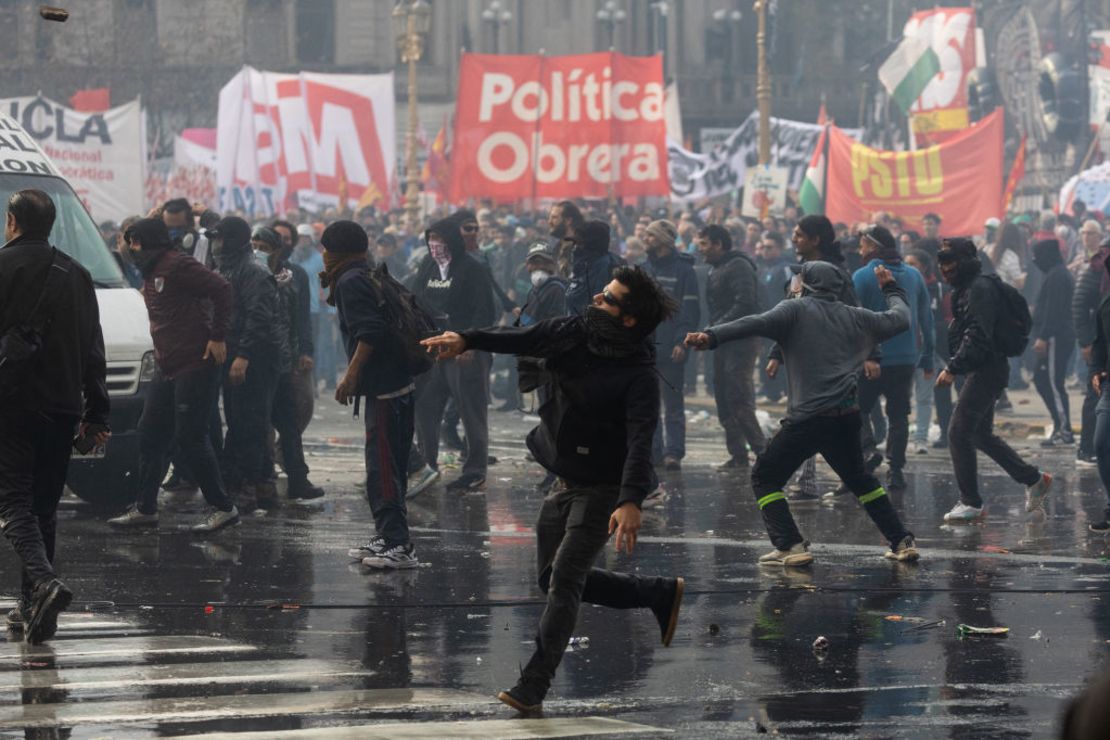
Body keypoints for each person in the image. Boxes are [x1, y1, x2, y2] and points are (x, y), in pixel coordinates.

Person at [421, 265, 685, 715]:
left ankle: (533, 686)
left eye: (609, 299)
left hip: (603, 486)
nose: (596, 301)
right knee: (551, 578)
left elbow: (643, 439)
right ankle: (657, 594)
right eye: (601, 293)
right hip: (563, 475)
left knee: (565, 579)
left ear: (628, 320)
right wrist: (466, 338)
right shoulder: (572, 332)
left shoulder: (639, 373)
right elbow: (520, 338)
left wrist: (630, 500)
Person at [686, 261, 919, 565]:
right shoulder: (857, 316)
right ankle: (901, 541)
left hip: (808, 419)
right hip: (846, 417)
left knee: (765, 477)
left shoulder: (793, 309)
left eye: (797, 277)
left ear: (807, 284)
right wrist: (891, 288)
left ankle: (790, 545)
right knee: (861, 480)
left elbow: (754, 322)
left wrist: (712, 336)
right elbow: (901, 318)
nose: (793, 282)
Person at [0, 189, 110, 643]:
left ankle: (43, 584)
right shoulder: (77, 273)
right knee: (45, 507)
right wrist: (97, 412)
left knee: (11, 502)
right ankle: (35, 612)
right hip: (62, 406)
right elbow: (92, 346)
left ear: (12, 222)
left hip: (10, 404)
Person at [107, 218, 239, 531]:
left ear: (142, 242)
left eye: (130, 242)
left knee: (191, 437)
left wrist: (218, 336)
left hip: (194, 362)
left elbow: (222, 289)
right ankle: (145, 507)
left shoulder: (177, 264)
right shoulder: (152, 270)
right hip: (166, 366)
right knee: (150, 435)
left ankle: (223, 507)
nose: (126, 249)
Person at [321, 221, 420, 568]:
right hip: (398, 381)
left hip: (384, 388)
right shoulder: (369, 272)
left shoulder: (350, 281)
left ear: (336, 252)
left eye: (325, 250)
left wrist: (350, 375)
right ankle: (387, 533)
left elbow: (370, 331)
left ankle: (397, 543)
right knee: (390, 464)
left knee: (382, 466)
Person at [934, 238, 1052, 523]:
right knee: (978, 434)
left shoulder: (979, 289)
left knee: (958, 431)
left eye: (950, 261)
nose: (945, 268)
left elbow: (978, 333)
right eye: (942, 262)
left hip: (987, 370)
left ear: (964, 261)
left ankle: (971, 502)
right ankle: (1034, 479)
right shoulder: (970, 287)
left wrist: (953, 367)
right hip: (984, 368)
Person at [411, 216, 497, 492]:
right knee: (425, 408)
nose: (435, 245)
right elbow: (416, 299)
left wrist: (469, 342)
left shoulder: (473, 268)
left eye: (440, 240)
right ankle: (427, 465)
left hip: (464, 350)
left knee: (471, 411)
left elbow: (485, 310)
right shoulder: (427, 266)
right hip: (434, 349)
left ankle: (474, 470)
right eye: (431, 240)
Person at [852, 225, 934, 490]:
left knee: (857, 410)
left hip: (870, 361)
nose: (858, 249)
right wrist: (928, 355)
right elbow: (926, 319)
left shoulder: (862, 276)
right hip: (906, 359)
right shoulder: (914, 275)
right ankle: (895, 470)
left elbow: (855, 321)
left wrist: (862, 355)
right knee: (899, 415)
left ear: (873, 246)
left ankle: (868, 450)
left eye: (862, 244)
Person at [209, 216, 282, 513]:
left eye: (220, 238)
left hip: (254, 358)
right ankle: (264, 486)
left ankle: (245, 488)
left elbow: (259, 317)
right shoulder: (224, 267)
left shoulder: (253, 270)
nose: (215, 244)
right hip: (233, 354)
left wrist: (244, 356)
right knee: (244, 421)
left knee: (247, 424)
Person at [252, 226, 324, 501]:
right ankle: (264, 481)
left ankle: (298, 479)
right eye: (254, 244)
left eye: (264, 245)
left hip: (285, 362)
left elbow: (301, 317)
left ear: (278, 249)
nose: (258, 250)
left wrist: (305, 351)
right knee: (261, 426)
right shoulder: (250, 275)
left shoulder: (295, 277)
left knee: (291, 424)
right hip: (258, 362)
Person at [697, 224, 765, 469]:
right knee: (722, 397)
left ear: (718, 244)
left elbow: (745, 303)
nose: (700, 248)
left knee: (739, 397)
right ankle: (738, 455)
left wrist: (715, 330)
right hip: (721, 340)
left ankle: (763, 453)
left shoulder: (739, 266)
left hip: (741, 340)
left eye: (704, 243)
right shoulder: (714, 269)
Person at [643, 219, 700, 472]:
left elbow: (689, 310)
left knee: (673, 405)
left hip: (672, 347)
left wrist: (682, 342)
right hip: (646, 347)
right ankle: (654, 452)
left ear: (665, 239)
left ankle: (673, 453)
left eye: (651, 236)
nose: (647, 240)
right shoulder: (643, 269)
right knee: (649, 404)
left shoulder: (684, 271)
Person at [1028, 238, 1076, 446]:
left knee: (1054, 383)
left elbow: (1054, 311)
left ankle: (1064, 430)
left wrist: (1044, 337)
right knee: (1041, 379)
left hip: (1056, 337)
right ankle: (1059, 425)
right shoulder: (1055, 273)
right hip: (1053, 336)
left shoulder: (1058, 276)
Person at [565, 220, 624, 316]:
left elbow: (600, 309)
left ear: (592, 245)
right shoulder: (582, 267)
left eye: (579, 244)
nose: (575, 248)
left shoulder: (608, 267)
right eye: (574, 243)